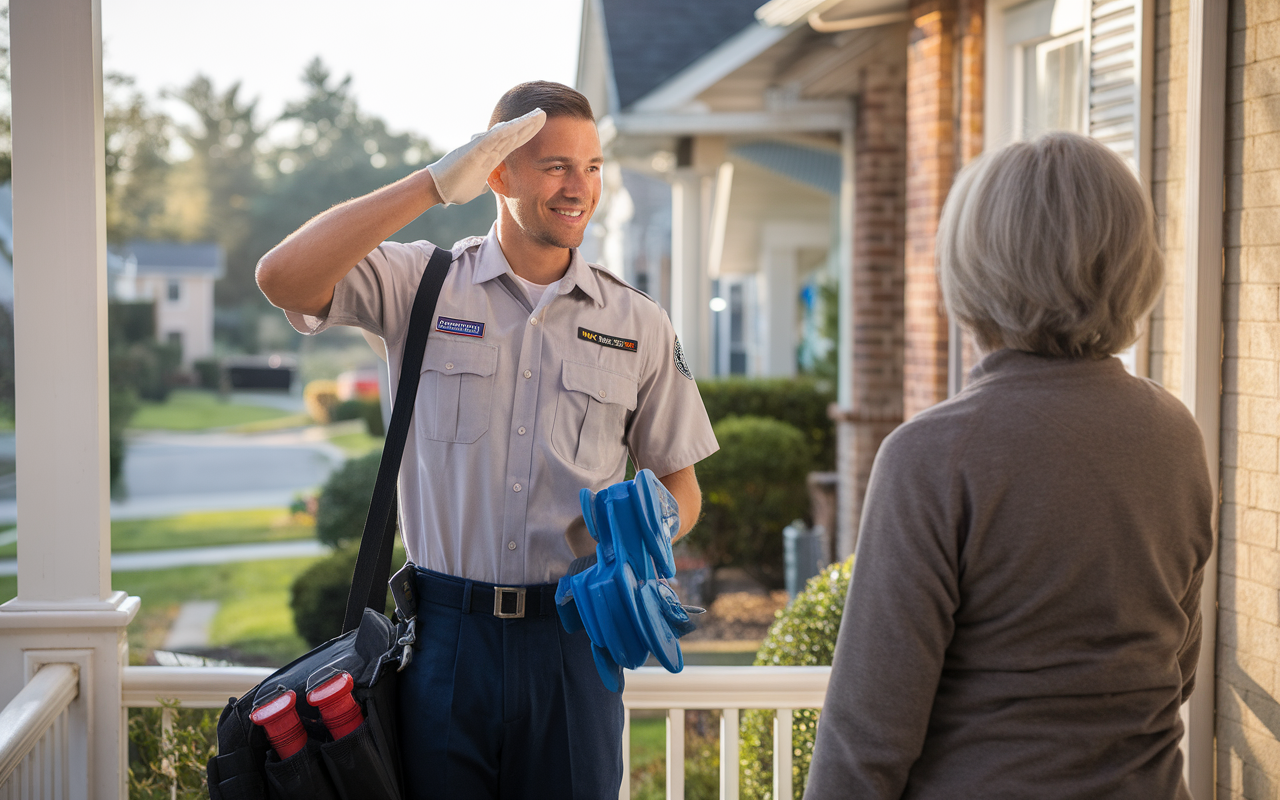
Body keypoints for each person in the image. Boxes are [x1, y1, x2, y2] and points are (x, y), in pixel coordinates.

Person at [256, 81, 718, 799]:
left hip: (572, 641)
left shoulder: (639, 323)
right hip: (443, 646)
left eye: (592, 167)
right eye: (556, 166)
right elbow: (282, 277)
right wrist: (435, 183)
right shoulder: (421, 286)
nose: (579, 188)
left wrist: (647, 532)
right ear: (497, 173)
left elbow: (681, 483)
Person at [803, 132, 1214, 799]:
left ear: (976, 267)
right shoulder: (1175, 435)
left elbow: (866, 738)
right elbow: (1177, 666)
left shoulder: (931, 457)